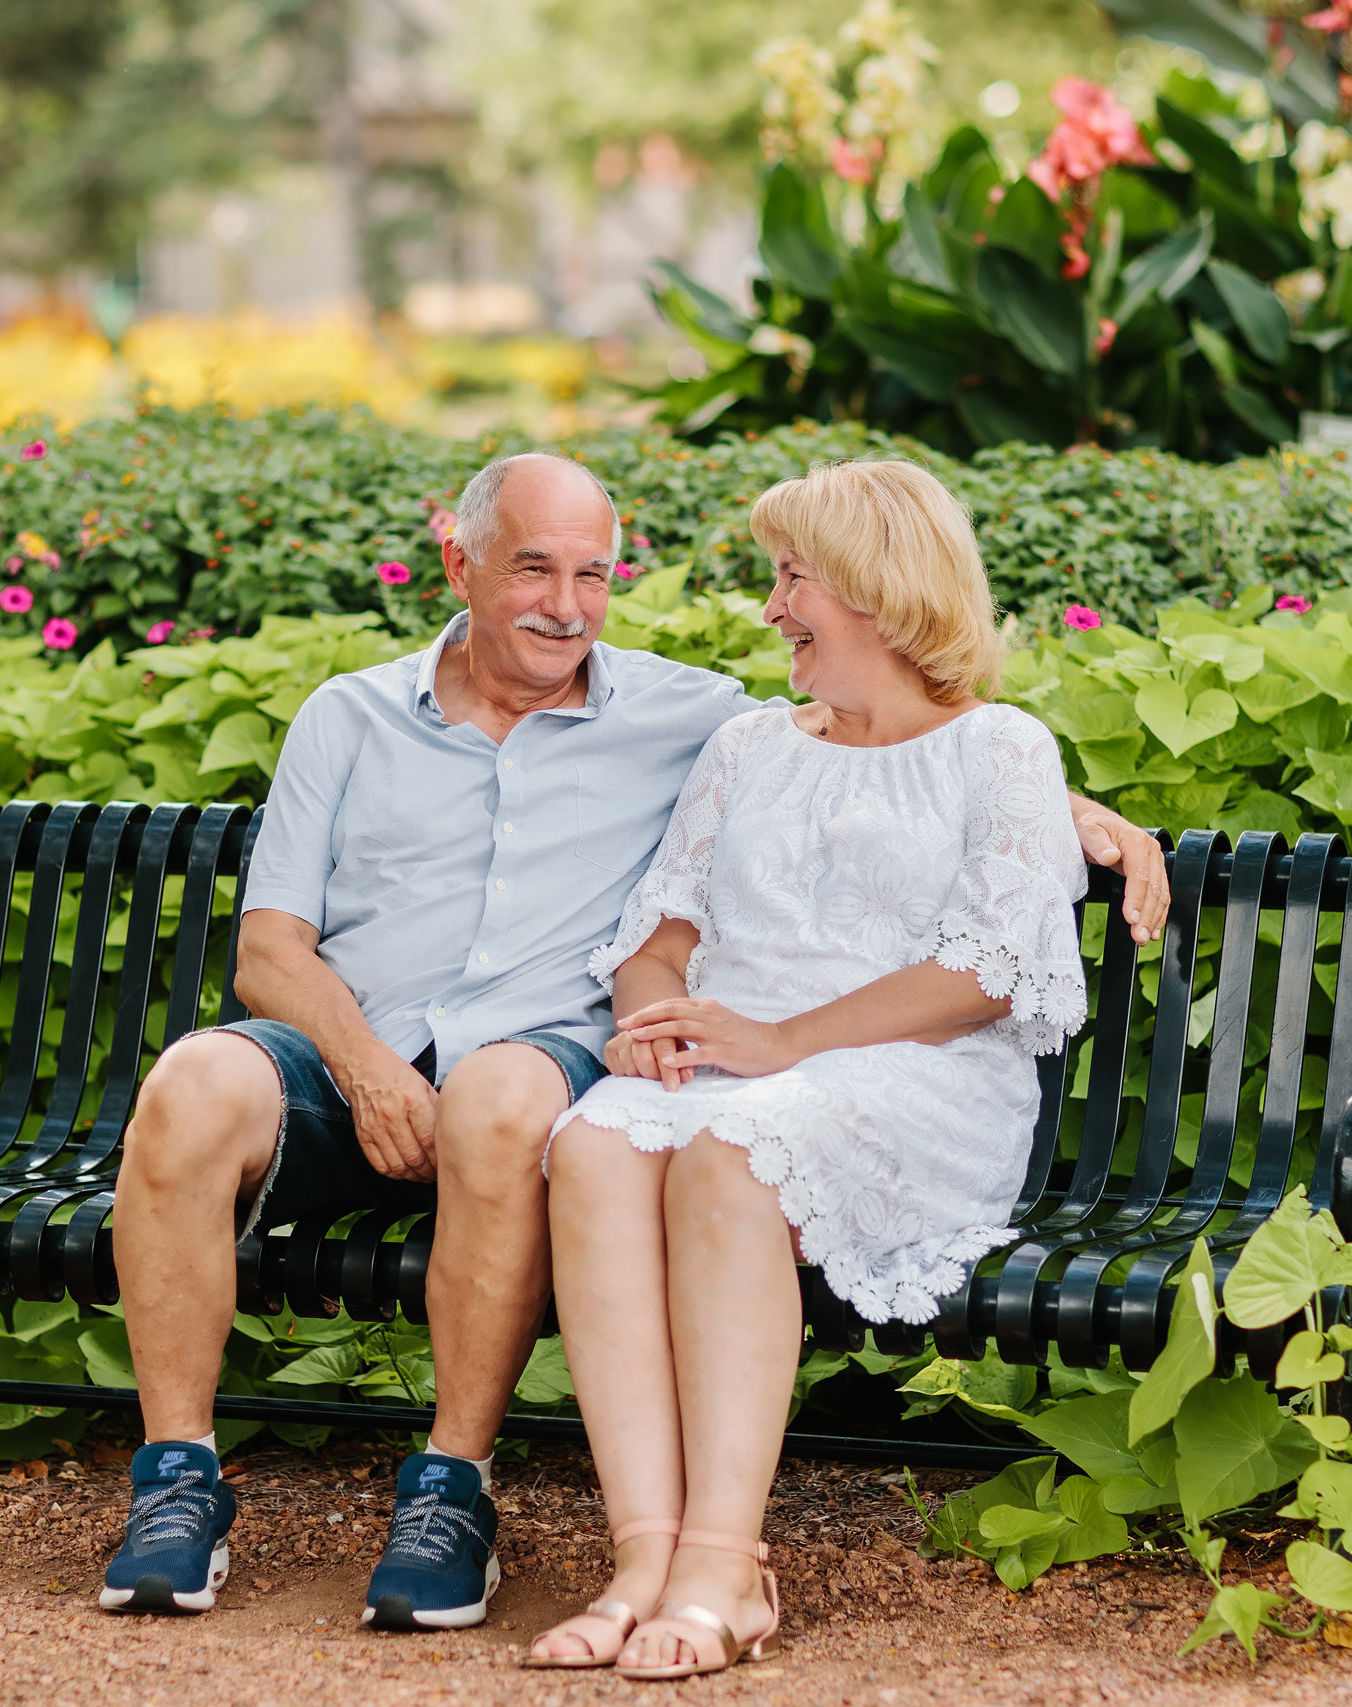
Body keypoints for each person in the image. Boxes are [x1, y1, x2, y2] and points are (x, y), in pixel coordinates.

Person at [95, 451, 1169, 1623]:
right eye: (534, 569)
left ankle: (452, 1488)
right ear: (457, 563)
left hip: (532, 1060)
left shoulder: (685, 710)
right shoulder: (347, 717)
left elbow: (899, 746)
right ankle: (176, 1482)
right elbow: (268, 955)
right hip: (358, 1048)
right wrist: (363, 1072)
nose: (566, 605)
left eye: (593, 573)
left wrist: (1074, 817)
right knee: (194, 1080)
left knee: (506, 1096)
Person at [526, 459, 1090, 1679]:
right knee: (595, 1140)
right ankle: (642, 1558)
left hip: (914, 1076)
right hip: (736, 1062)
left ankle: (726, 1567)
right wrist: (656, 1022)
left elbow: (991, 971)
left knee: (733, 1153)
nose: (773, 607)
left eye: (794, 580)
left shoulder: (999, 748)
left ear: (882, 595)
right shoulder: (747, 748)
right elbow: (659, 931)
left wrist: (780, 1044)